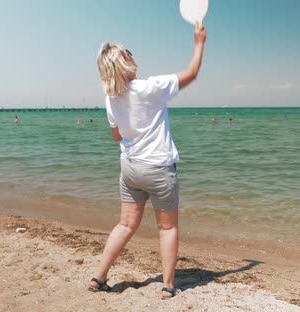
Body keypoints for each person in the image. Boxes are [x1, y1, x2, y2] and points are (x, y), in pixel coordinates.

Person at [90, 21, 206, 299]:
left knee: (126, 225)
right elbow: (191, 73)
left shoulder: (110, 98)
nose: (132, 54)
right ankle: (167, 285)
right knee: (167, 227)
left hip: (130, 168)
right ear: (124, 62)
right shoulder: (150, 87)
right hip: (158, 167)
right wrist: (199, 41)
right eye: (128, 52)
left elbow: (116, 136)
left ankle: (99, 277)